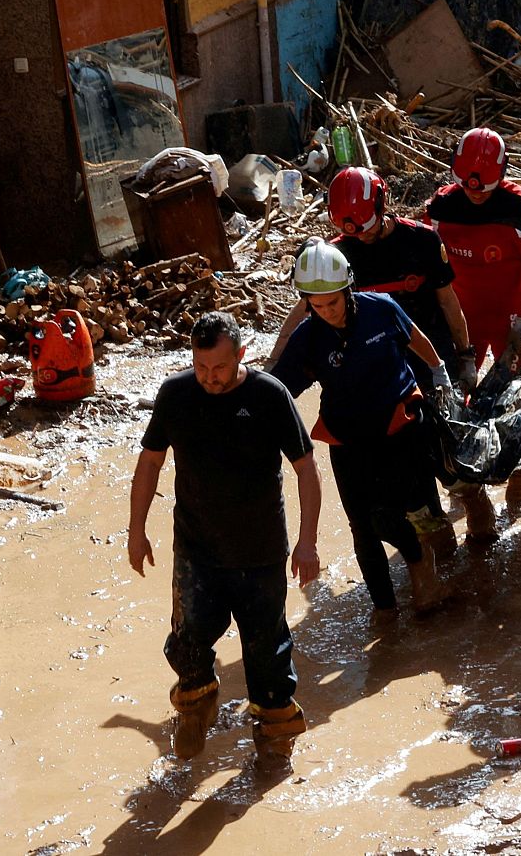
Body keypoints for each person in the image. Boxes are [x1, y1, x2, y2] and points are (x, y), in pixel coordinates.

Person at [128, 312, 322, 770]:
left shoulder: (268, 396)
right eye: (200, 367)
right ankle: (196, 706)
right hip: (197, 549)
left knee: (266, 652)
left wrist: (307, 541)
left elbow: (307, 471)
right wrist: (136, 531)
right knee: (186, 643)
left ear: (241, 354)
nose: (209, 379)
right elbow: (150, 464)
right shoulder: (176, 394)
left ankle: (275, 740)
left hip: (260, 551)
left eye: (218, 368)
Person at [267, 167, 471, 558]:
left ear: (383, 204)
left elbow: (449, 301)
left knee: (445, 451)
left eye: (365, 225)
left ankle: (469, 505)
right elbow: (304, 309)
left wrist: (464, 358)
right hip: (380, 365)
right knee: (405, 467)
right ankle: (433, 548)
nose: (359, 235)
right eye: (351, 229)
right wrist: (275, 361)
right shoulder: (337, 254)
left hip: (426, 357)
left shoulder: (423, 242)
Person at [271, 238, 452, 613]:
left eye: (332, 302)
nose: (326, 312)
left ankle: (425, 562)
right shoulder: (308, 338)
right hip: (347, 437)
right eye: (315, 306)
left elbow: (415, 337)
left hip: (399, 426)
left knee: (406, 511)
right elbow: (280, 390)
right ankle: (385, 613)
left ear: (348, 288)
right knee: (362, 528)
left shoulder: (381, 310)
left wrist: (439, 372)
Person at [426, 128, 521, 520]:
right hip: (464, 321)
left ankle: (519, 486)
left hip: (512, 321)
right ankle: (464, 481)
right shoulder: (442, 207)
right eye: (466, 184)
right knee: (454, 399)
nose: (475, 192)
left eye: (484, 186)